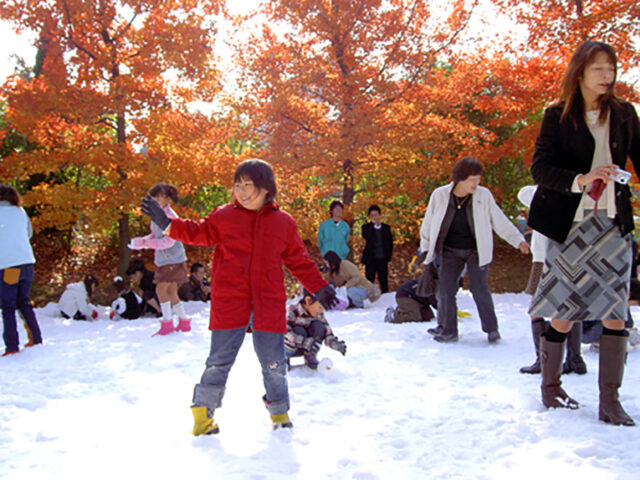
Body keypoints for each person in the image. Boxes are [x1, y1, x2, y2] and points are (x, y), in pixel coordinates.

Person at [139, 158, 338, 434]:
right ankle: (202, 414)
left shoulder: (283, 223)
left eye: (249, 186)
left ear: (267, 189)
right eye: (238, 185)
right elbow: (197, 232)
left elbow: (299, 262)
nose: (242, 192)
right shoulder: (223, 216)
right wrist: (168, 224)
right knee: (219, 360)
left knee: (274, 363)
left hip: (267, 303)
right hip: (230, 301)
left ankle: (280, 413)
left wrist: (319, 285)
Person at [527, 40, 640, 426]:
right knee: (563, 310)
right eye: (598, 68)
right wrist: (580, 179)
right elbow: (539, 169)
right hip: (569, 226)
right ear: (580, 72)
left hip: (612, 225)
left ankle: (610, 400)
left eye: (611, 68)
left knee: (616, 312)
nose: (607, 75)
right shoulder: (557, 115)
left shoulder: (625, 114)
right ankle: (551, 387)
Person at [420, 157, 530, 343]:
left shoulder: (483, 195)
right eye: (472, 179)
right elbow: (428, 224)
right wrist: (425, 250)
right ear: (459, 179)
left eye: (478, 179)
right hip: (449, 251)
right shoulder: (440, 195)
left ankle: (491, 329)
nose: (476, 183)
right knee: (446, 290)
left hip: (476, 250)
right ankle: (448, 330)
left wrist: (517, 240)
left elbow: (499, 220)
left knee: (479, 289)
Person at [517, 185, 586, 375]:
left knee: (537, 307)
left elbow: (525, 194)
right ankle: (574, 358)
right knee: (571, 304)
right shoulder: (576, 185)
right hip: (570, 253)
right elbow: (523, 194)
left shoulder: (558, 187)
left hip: (547, 255)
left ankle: (545, 358)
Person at [129, 183, 191, 335]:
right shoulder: (156, 216)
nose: (156, 199)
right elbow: (155, 236)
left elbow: (168, 241)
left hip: (173, 260)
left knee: (160, 289)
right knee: (170, 291)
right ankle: (183, 321)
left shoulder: (170, 217)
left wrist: (146, 243)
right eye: (154, 196)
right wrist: (140, 242)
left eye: (160, 196)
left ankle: (167, 323)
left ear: (168, 199)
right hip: (165, 261)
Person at [0, 185, 43, 356]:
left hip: (10, 267)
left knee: (8, 305)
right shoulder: (20, 212)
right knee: (23, 302)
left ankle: (11, 346)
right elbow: (29, 233)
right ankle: (36, 339)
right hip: (27, 264)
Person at [285, 288, 347, 369]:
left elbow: (326, 329)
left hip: (308, 346)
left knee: (319, 326)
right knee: (299, 330)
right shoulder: (292, 311)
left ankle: (310, 355)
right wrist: (303, 341)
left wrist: (332, 342)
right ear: (308, 300)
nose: (321, 311)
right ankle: (284, 359)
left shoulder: (317, 314)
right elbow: (284, 331)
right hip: (289, 347)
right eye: (320, 307)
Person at [361, 205, 393, 293]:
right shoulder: (366, 227)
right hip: (370, 259)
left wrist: (389, 255)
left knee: (383, 280)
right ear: (369, 217)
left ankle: (385, 297)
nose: (374, 217)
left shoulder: (386, 228)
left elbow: (390, 243)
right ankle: (368, 297)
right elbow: (366, 236)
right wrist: (373, 225)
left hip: (382, 258)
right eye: (372, 215)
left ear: (379, 215)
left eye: (376, 215)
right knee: (369, 280)